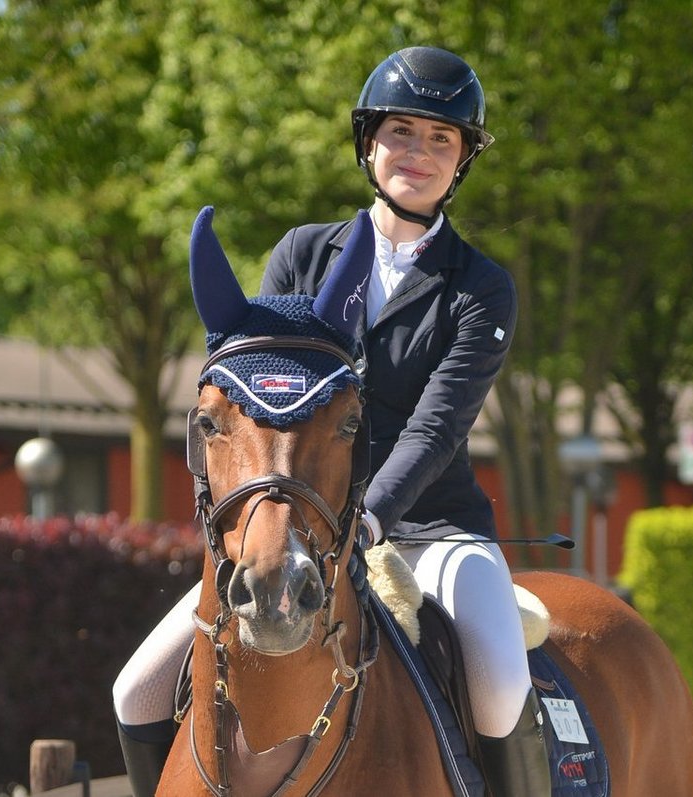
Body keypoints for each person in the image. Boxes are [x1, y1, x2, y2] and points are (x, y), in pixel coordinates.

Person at [112, 45, 549, 797]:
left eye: (440, 138)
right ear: (368, 143)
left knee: (502, 686)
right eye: (401, 131)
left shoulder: (480, 288)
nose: (417, 152)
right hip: (292, 522)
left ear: (462, 160)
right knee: (137, 691)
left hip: (431, 530)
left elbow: (437, 427)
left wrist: (370, 518)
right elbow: (261, 398)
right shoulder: (302, 254)